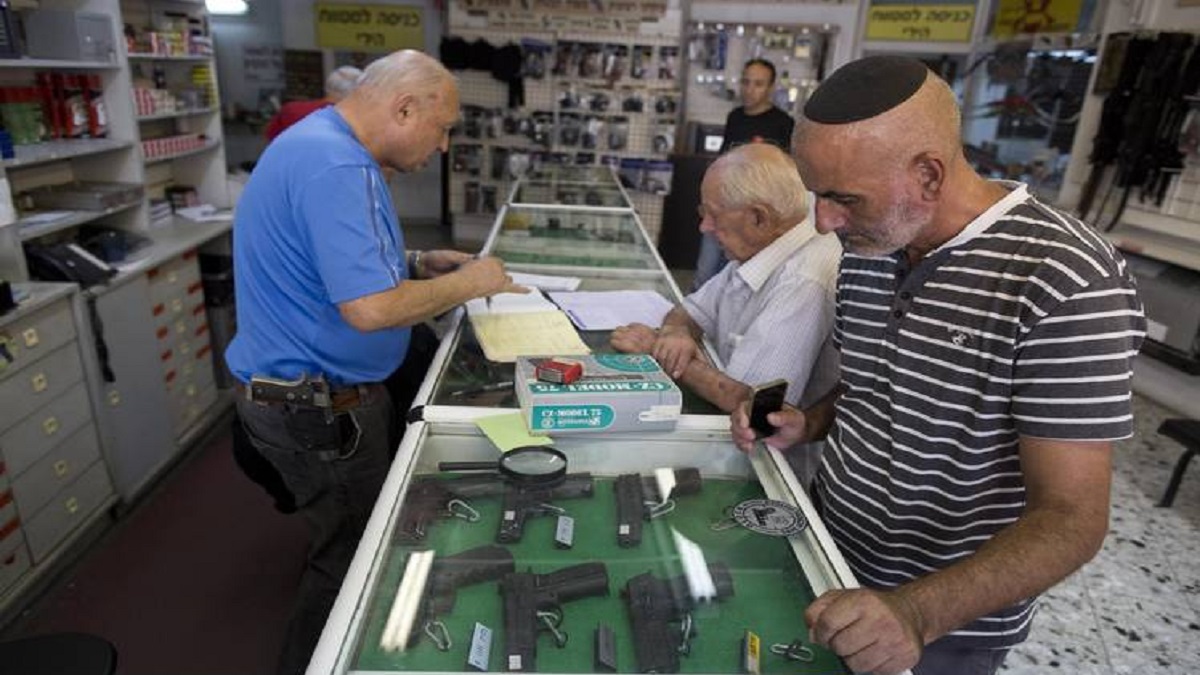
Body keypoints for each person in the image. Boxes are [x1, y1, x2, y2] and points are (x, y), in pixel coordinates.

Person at [731, 55, 1146, 675]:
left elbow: (1072, 517)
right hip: (824, 560)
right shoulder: (872, 242)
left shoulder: (1066, 281)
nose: (823, 221)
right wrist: (808, 422)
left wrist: (915, 613)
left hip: (942, 623)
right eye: (817, 194)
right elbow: (875, 383)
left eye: (842, 198)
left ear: (928, 174)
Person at [226, 50, 524, 675]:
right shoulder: (338, 164)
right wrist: (475, 281)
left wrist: (417, 262)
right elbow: (368, 308)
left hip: (297, 397)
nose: (444, 146)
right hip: (317, 409)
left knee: (346, 550)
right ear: (404, 108)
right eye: (441, 128)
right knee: (351, 566)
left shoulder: (320, 143)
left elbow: (329, 262)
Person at [611, 143, 840, 424]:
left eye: (713, 215)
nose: (704, 227)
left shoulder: (803, 281)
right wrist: (674, 333)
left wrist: (655, 350)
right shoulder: (759, 248)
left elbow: (750, 400)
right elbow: (689, 311)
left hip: (772, 456)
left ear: (758, 217)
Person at [693, 58, 795, 290]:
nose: (750, 90)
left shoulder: (783, 123)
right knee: (704, 272)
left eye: (758, 84)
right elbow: (722, 162)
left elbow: (785, 176)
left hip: (753, 216)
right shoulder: (735, 117)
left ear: (770, 87)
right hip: (722, 206)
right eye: (746, 82)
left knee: (736, 278)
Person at [264, 65, 362, 141]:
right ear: (355, 93)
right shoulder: (353, 119)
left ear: (327, 86)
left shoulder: (290, 109)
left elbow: (271, 137)